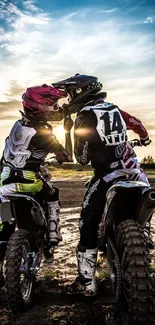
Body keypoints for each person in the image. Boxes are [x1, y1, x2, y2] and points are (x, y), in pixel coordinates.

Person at [53, 73, 152, 296]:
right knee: (145, 205)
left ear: (80, 92)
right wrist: (144, 138)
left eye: (70, 94)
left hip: (108, 176)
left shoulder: (85, 116)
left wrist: (69, 132)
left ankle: (86, 283)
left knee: (87, 220)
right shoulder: (114, 108)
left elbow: (82, 158)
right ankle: (144, 237)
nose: (68, 99)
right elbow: (136, 123)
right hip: (135, 172)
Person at [0, 84, 70, 266]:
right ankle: (53, 236)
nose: (54, 109)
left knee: (5, 226)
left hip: (5, 185)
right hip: (29, 183)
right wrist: (68, 132)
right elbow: (65, 156)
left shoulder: (18, 125)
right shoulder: (44, 133)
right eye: (52, 105)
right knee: (52, 192)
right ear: (41, 107)